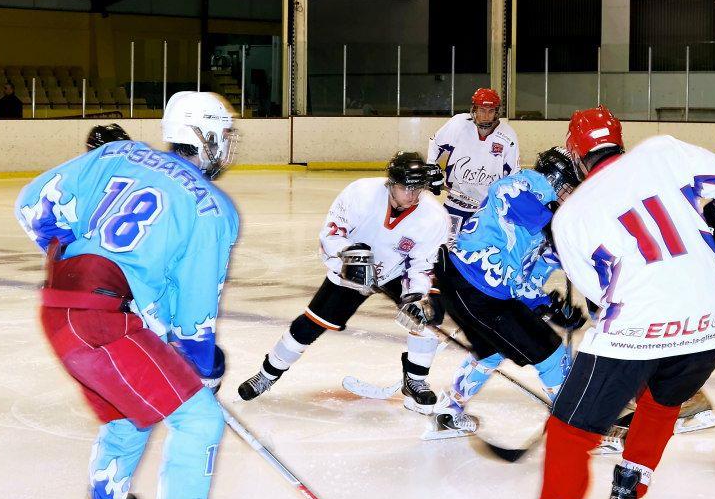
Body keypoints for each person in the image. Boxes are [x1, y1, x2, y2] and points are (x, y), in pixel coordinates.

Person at [503, 106, 715, 499]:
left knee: (568, 430)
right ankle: (628, 495)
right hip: (708, 325)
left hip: (636, 330)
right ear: (619, 139)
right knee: (661, 405)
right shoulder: (662, 151)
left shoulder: (570, 216)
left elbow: (599, 292)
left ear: (576, 156)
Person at [15, 91, 240, 499]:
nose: (226, 143)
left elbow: (33, 203)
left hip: (62, 308)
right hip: (103, 321)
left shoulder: (118, 152)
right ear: (205, 136)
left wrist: (72, 257)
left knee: (133, 407)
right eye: (222, 133)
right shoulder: (213, 209)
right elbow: (194, 314)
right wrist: (203, 367)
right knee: (200, 420)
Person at [236, 151, 450, 414]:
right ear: (391, 183)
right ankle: (267, 374)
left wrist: (416, 295)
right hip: (354, 266)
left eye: (418, 188)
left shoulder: (433, 216)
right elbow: (331, 235)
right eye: (406, 187)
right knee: (310, 324)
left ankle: (415, 379)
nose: (413, 194)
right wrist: (349, 258)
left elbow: (423, 264)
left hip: (397, 270)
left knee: (425, 316)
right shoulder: (360, 194)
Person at [424, 147, 586, 438]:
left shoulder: (546, 226)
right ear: (557, 180)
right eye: (571, 188)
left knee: (493, 349)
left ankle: (448, 412)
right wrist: (558, 229)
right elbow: (506, 193)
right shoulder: (524, 185)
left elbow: (524, 281)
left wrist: (548, 306)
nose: (573, 196)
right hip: (473, 286)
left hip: (479, 292)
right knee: (551, 354)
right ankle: (577, 428)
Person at [427, 87, 519, 235]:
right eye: (482, 110)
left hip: (488, 207)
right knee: (447, 243)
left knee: (483, 247)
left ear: (497, 112)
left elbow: (514, 173)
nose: (486, 116)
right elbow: (435, 142)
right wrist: (431, 166)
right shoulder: (458, 124)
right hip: (455, 203)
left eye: (491, 111)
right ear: (474, 109)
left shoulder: (508, 135)